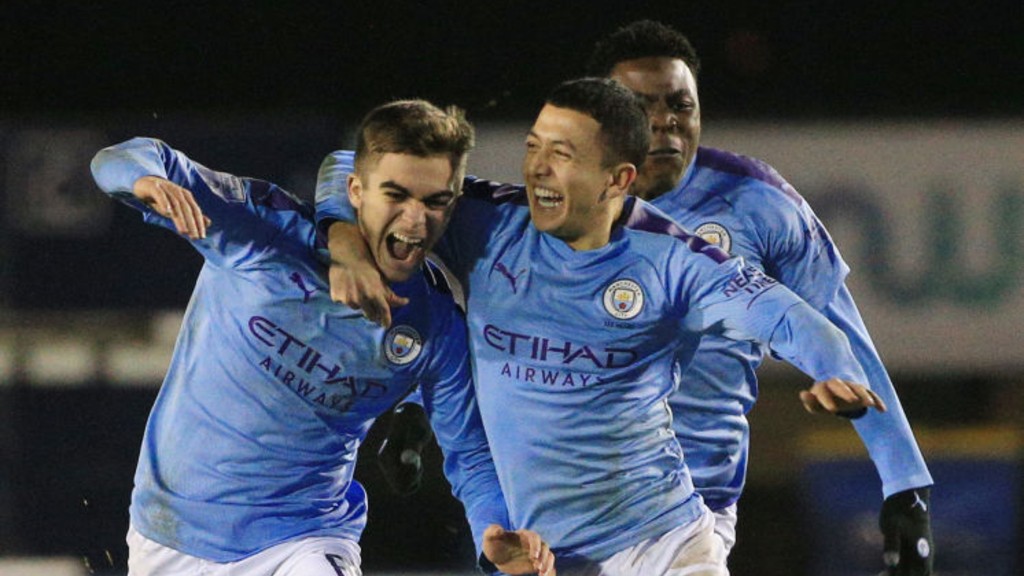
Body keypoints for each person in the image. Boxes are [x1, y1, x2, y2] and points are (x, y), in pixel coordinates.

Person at [316, 77, 886, 575]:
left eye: (561, 154)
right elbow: (348, 165)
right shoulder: (487, 224)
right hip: (539, 556)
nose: (537, 166)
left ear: (618, 180)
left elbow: (787, 313)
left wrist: (831, 368)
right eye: (533, 146)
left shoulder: (674, 259)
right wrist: (343, 242)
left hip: (661, 545)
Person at [88, 100, 555, 576]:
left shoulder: (435, 330)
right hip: (170, 534)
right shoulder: (267, 235)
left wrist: (494, 532)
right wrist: (146, 180)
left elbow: (471, 456)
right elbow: (117, 159)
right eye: (396, 195)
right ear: (356, 191)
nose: (416, 221)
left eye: (435, 202)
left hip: (305, 538)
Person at [584, 19, 933, 574]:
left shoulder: (755, 201)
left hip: (689, 508)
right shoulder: (553, 203)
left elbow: (841, 336)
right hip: (563, 503)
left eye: (680, 105)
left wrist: (903, 485)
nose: (664, 123)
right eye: (640, 105)